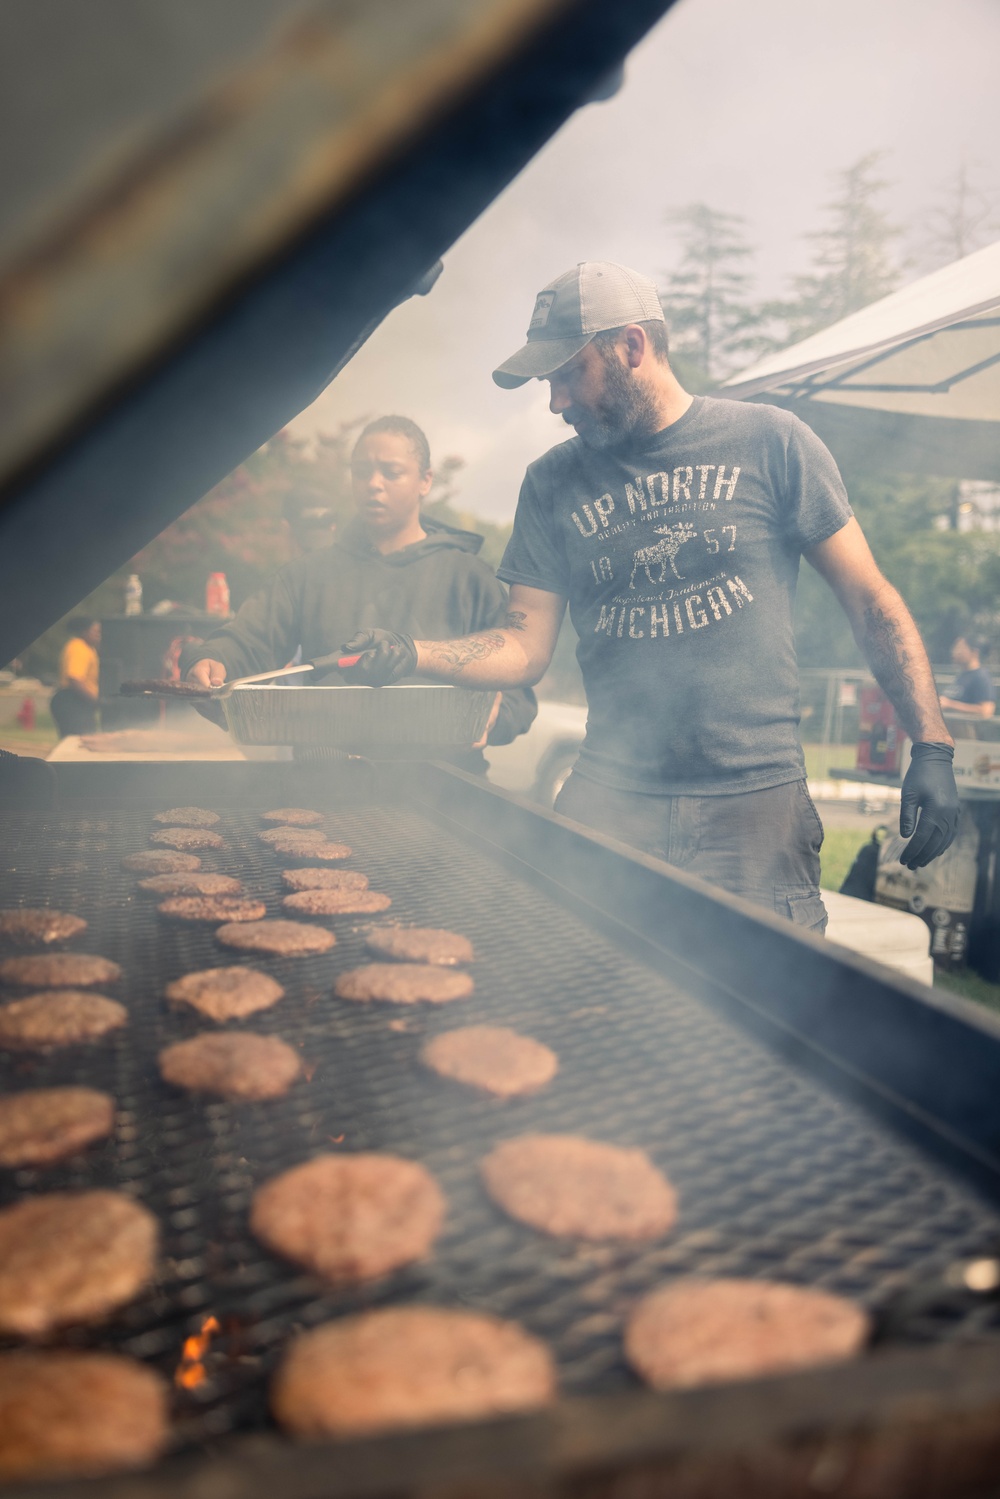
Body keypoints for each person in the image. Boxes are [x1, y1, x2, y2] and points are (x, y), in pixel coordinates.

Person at [338, 262, 960, 932]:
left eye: (568, 373)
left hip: (751, 812)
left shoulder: (772, 442)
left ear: (631, 346)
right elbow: (523, 644)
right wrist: (412, 652)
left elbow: (869, 598)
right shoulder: (551, 482)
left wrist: (931, 743)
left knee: (755, 1025)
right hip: (609, 803)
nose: (554, 402)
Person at [181, 416, 536, 767]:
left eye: (391, 472)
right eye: (362, 471)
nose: (373, 484)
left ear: (425, 480)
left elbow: (518, 694)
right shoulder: (308, 574)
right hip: (325, 784)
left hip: (443, 790)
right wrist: (212, 659)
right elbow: (249, 642)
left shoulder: (469, 578)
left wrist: (494, 715)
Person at [49, 618, 101, 737]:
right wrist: (97, 700)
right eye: (95, 631)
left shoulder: (89, 649)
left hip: (79, 701)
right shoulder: (78, 648)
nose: (99, 635)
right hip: (72, 700)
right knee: (79, 740)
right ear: (84, 631)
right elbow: (75, 679)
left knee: (87, 737)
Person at [939, 635, 995, 718]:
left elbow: (986, 711)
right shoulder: (963, 675)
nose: (955, 652)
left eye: (960, 648)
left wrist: (949, 704)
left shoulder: (981, 677)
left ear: (974, 652)